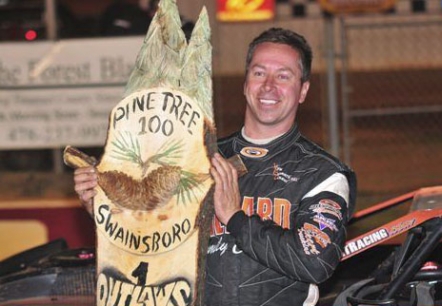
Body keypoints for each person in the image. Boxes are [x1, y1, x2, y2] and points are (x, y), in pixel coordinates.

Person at [74, 27, 357, 306]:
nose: (269, 86)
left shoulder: (322, 174)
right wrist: (106, 213)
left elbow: (315, 263)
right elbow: (152, 243)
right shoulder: (196, 157)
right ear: (246, 82)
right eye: (259, 73)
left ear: (303, 90)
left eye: (284, 76)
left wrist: (235, 217)